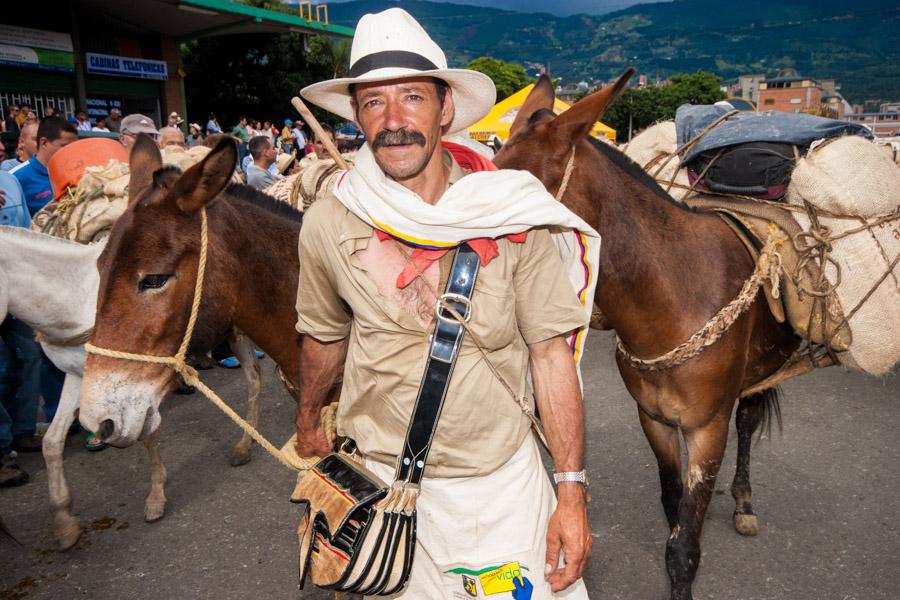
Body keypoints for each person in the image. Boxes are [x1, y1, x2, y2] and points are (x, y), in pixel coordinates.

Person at [293, 8, 598, 599]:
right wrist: (308, 420)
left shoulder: (510, 210)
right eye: (374, 102)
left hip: (501, 490)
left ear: (446, 109)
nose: (395, 120)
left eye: (413, 97)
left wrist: (571, 492)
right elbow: (324, 334)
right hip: (378, 488)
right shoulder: (328, 221)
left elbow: (550, 356)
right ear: (356, 114)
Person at [10, 117, 77, 216]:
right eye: (65, 146)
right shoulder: (15, 178)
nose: (71, 151)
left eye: (74, 147)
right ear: (44, 143)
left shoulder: (78, 173)